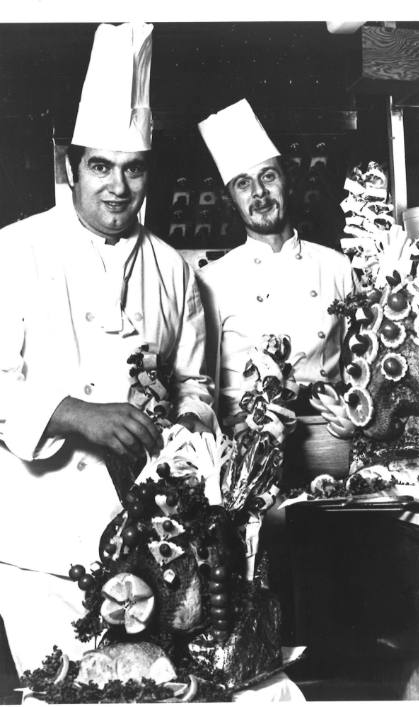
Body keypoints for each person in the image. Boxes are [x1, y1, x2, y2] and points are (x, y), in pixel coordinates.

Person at [0, 23, 214, 678]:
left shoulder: (174, 270)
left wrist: (192, 439)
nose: (118, 187)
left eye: (133, 168)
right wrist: (71, 411)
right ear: (70, 165)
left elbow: (196, 387)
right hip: (45, 544)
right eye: (100, 166)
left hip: (151, 553)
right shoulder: (17, 250)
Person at [197, 98, 354, 640]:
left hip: (333, 455)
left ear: (287, 180)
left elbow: (362, 369)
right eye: (244, 184)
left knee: (337, 599)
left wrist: (355, 417)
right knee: (268, 600)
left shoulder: (337, 268)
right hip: (253, 464)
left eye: (267, 177)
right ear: (230, 198)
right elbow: (202, 384)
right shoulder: (213, 281)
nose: (259, 193)